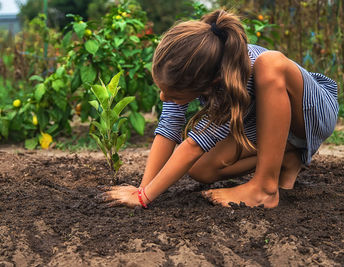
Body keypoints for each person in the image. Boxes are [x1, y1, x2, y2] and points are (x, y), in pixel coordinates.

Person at [101, 9, 339, 208]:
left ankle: (265, 188)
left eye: (172, 94)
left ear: (209, 84)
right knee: (199, 169)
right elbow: (168, 128)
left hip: (312, 113)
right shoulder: (202, 70)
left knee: (270, 64)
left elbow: (193, 145)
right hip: (268, 125)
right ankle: (289, 157)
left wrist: (144, 199)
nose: (164, 97)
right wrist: (142, 189)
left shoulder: (235, 77)